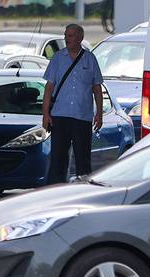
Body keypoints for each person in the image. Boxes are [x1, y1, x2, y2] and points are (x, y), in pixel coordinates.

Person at [41, 23, 106, 184]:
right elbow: (49, 88)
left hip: (82, 117)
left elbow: (97, 89)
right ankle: (55, 190)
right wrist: (45, 114)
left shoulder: (90, 59)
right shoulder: (57, 58)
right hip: (59, 116)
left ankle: (83, 190)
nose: (66, 38)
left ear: (80, 38)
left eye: (70, 35)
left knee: (83, 160)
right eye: (65, 35)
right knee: (58, 159)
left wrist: (99, 114)